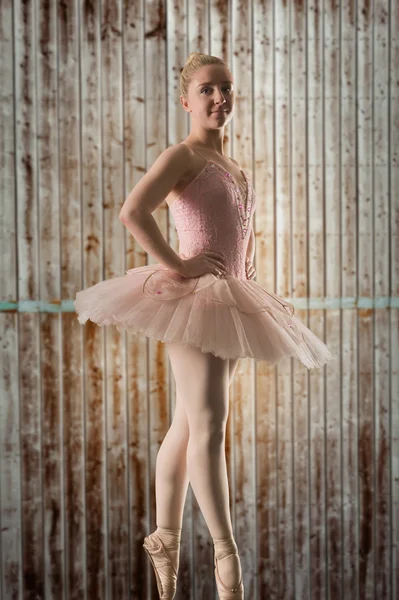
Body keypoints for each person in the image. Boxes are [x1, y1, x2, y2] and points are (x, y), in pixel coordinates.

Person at [74, 52, 335, 599]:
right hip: (193, 296)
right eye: (208, 89)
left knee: (189, 424)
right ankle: (225, 551)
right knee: (210, 423)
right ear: (186, 100)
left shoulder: (233, 165)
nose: (220, 98)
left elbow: (237, 230)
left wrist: (251, 272)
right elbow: (133, 211)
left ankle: (163, 542)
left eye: (227, 88)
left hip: (233, 295)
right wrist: (178, 263)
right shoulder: (182, 155)